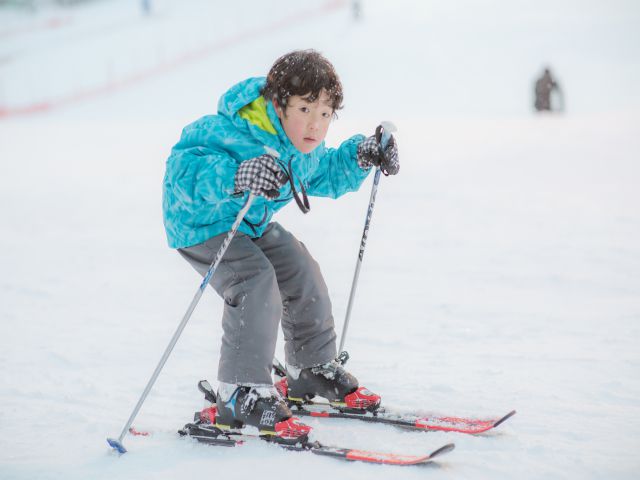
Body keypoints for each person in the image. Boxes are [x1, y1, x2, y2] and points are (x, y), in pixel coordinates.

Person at [162, 50, 399, 440]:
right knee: (254, 282)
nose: (315, 125)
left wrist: (361, 154)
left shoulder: (297, 145)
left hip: (249, 224)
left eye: (325, 114)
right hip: (201, 225)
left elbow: (324, 172)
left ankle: (311, 367)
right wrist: (237, 174)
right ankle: (241, 390)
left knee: (300, 269)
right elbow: (184, 172)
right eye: (306, 109)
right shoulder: (234, 129)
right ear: (278, 103)